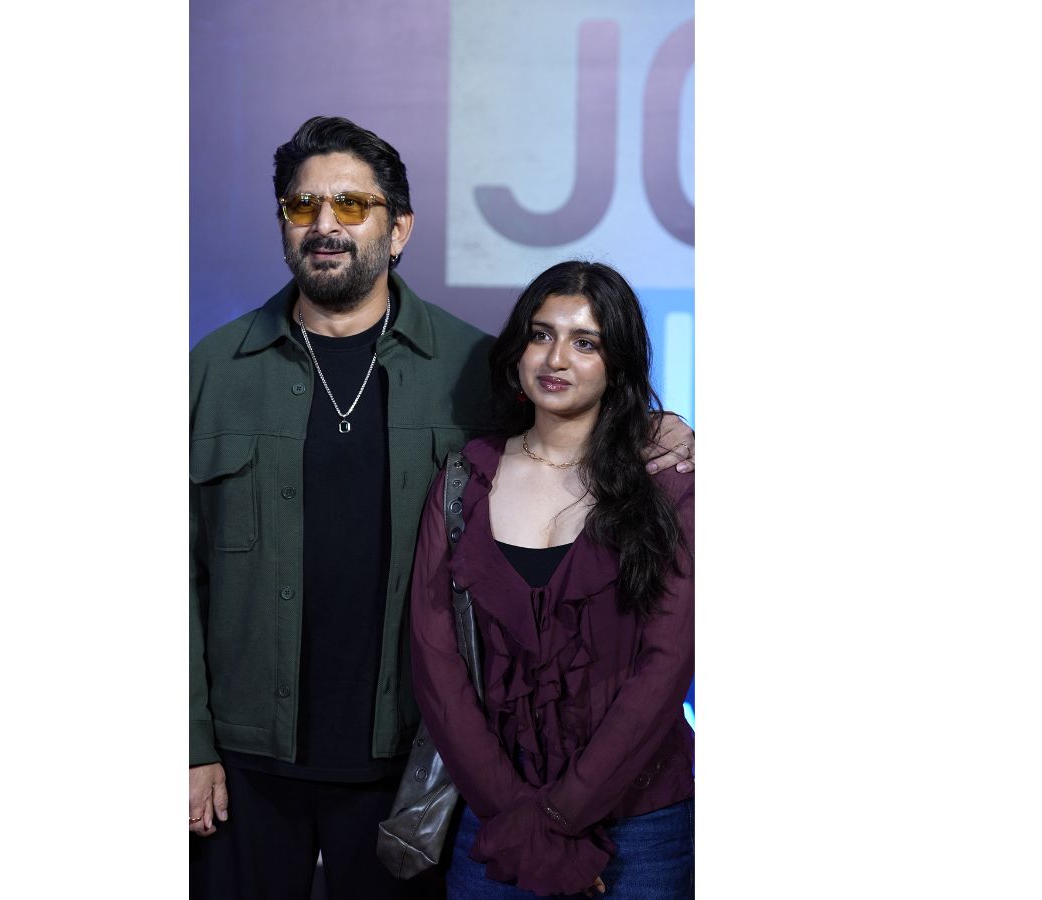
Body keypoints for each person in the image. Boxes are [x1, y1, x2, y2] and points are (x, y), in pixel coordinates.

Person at [190, 117, 696, 900]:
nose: (324, 224)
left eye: (351, 204)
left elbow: (572, 423)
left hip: (412, 767)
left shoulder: (471, 367)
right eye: (302, 205)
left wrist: (660, 427)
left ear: (399, 229)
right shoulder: (211, 371)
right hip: (243, 763)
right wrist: (189, 744)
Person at [409, 261, 695, 898]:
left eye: (585, 342)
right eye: (541, 335)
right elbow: (437, 666)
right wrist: (519, 820)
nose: (556, 358)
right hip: (496, 823)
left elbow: (666, 667)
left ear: (618, 364)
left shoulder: (668, 484)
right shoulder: (464, 480)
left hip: (641, 829)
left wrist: (560, 818)